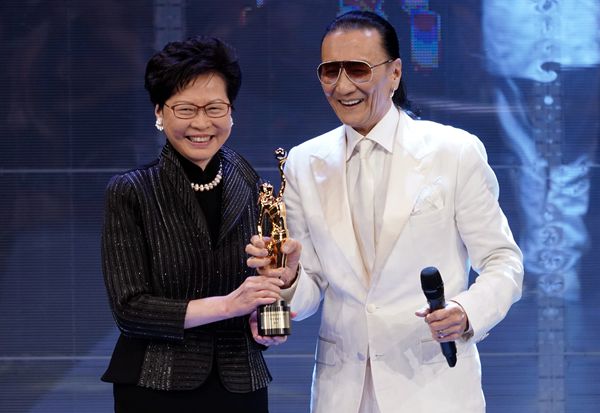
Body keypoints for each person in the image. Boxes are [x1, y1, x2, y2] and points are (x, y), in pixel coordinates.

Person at [247, 10, 524, 413]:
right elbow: (309, 292)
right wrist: (288, 279)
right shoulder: (303, 162)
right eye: (330, 72)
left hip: (433, 388)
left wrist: (466, 312)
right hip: (341, 393)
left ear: (394, 73)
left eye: (358, 70)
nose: (343, 86)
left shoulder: (454, 152)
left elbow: (503, 261)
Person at [101, 35, 286, 413]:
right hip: (156, 385)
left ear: (231, 112)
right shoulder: (132, 191)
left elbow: (263, 279)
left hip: (241, 383)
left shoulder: (251, 182)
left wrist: (265, 317)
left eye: (215, 108)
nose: (201, 123)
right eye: (185, 109)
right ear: (159, 112)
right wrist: (229, 305)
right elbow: (130, 309)